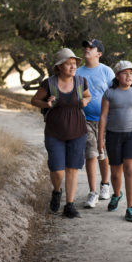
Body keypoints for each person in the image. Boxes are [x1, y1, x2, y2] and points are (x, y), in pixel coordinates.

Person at [31, 48, 91, 218]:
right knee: (57, 170)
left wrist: (85, 100)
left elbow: (88, 96)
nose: (73, 67)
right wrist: (47, 105)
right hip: (54, 132)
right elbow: (34, 100)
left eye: (74, 64)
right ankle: (57, 191)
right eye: (68, 64)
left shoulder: (81, 82)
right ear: (59, 67)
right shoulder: (48, 84)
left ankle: (69, 205)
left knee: (72, 169)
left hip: (78, 131)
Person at [98, 60, 132, 222]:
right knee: (115, 173)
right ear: (117, 75)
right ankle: (116, 194)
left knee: (129, 170)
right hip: (113, 136)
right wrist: (100, 139)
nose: (129, 76)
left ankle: (130, 208)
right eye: (125, 73)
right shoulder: (109, 93)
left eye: (131, 74)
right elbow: (103, 116)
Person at [76, 39, 115, 208]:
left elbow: (114, 94)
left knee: (102, 153)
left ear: (99, 53)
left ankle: (105, 184)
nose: (87, 49)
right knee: (90, 154)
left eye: (91, 48)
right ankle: (93, 193)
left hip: (104, 121)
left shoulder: (106, 71)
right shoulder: (77, 72)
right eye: (86, 47)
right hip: (84, 119)